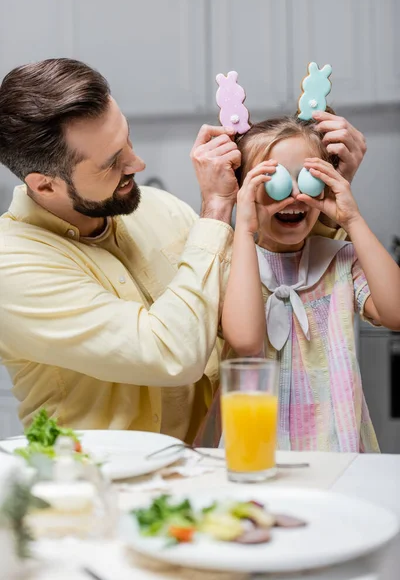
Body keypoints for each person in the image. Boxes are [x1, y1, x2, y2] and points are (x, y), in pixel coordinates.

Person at [0, 58, 367, 441]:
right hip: (100, 485)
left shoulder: (158, 208)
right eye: (111, 163)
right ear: (44, 186)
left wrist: (321, 202)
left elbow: (258, 301)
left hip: (198, 473)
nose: (136, 163)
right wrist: (218, 210)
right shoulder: (10, 268)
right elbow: (171, 354)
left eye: (127, 139)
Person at [218, 115, 400, 452]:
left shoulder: (338, 261)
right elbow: (246, 342)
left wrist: (352, 219)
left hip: (334, 449)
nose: (295, 195)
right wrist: (242, 227)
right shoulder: (234, 263)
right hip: (257, 449)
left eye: (308, 179)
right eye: (273, 182)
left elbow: (396, 313)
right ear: (246, 191)